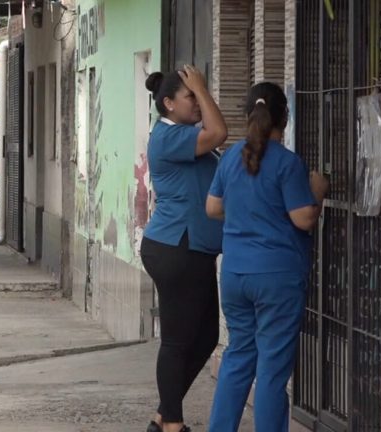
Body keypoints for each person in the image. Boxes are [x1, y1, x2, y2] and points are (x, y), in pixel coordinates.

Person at [205, 82, 329, 431]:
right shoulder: (288, 163)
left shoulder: (230, 157)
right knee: (272, 369)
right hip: (277, 278)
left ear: (248, 117)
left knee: (238, 357)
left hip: (235, 276)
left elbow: (213, 208)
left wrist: (248, 213)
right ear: (284, 119)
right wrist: (317, 192)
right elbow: (303, 218)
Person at [140, 65, 228, 432]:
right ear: (169, 104)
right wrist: (204, 88)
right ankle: (173, 424)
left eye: (196, 95)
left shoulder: (185, 135)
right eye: (190, 96)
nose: (196, 102)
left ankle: (163, 416)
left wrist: (199, 90)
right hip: (176, 248)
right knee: (176, 341)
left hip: (194, 250)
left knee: (207, 337)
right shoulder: (167, 137)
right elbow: (220, 131)